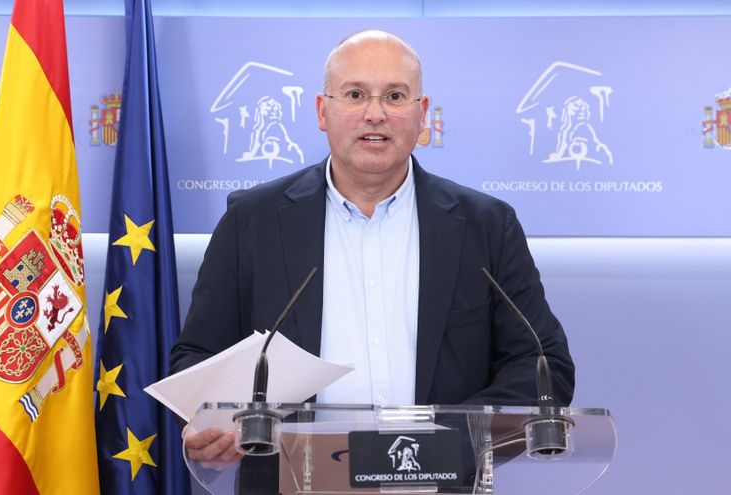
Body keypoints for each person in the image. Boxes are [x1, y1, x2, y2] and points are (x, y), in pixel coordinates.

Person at [171, 29, 574, 477]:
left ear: (422, 116)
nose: (375, 114)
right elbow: (199, 355)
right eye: (356, 94)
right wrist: (212, 419)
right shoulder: (254, 220)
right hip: (290, 480)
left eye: (395, 96)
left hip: (437, 480)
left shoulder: (485, 225)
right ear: (323, 111)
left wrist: (449, 445)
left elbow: (543, 366)